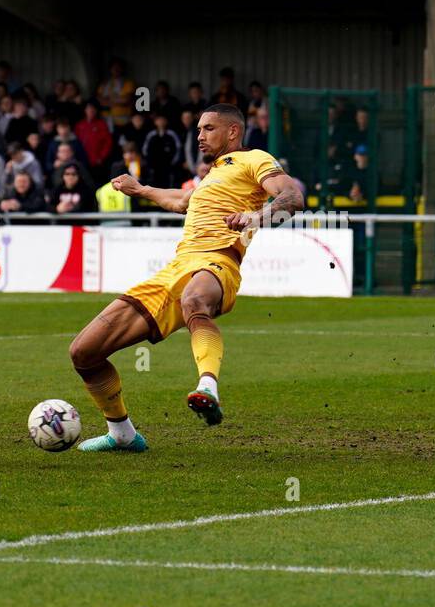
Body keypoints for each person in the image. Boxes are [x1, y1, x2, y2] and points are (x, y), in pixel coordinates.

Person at [67, 103, 304, 452]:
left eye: (208, 128)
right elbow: (182, 201)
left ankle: (208, 386)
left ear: (233, 131)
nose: (199, 136)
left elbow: (292, 197)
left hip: (217, 260)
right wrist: (141, 189)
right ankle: (122, 433)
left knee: (195, 301)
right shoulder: (211, 175)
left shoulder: (254, 159)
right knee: (83, 352)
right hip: (174, 270)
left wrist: (256, 216)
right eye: (198, 129)